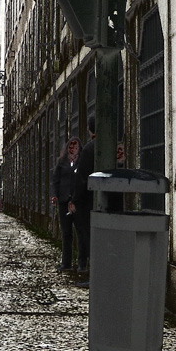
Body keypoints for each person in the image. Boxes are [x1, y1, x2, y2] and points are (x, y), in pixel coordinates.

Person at [50, 136, 82, 271]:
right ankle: (66, 262)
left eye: (75, 147)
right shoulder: (61, 163)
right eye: (70, 147)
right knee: (66, 233)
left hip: (78, 202)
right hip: (64, 202)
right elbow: (55, 180)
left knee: (81, 233)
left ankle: (82, 263)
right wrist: (54, 195)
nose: (72, 149)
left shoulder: (82, 162)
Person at [71, 117, 96, 276]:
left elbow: (81, 178)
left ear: (89, 128)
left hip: (86, 202)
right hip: (103, 200)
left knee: (84, 234)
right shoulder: (111, 146)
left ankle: (85, 267)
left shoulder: (88, 149)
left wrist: (74, 200)